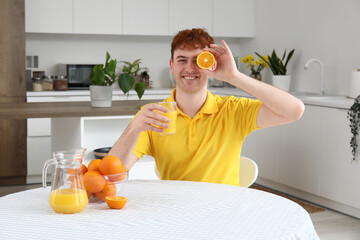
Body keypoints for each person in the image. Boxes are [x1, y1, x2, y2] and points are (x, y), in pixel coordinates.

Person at [109, 28, 304, 186]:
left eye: (197, 60)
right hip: (176, 214)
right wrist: (134, 127)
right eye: (182, 60)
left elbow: (294, 111)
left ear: (209, 64)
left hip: (224, 214)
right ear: (171, 65)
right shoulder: (156, 116)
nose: (190, 68)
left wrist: (234, 77)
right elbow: (113, 174)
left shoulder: (232, 110)